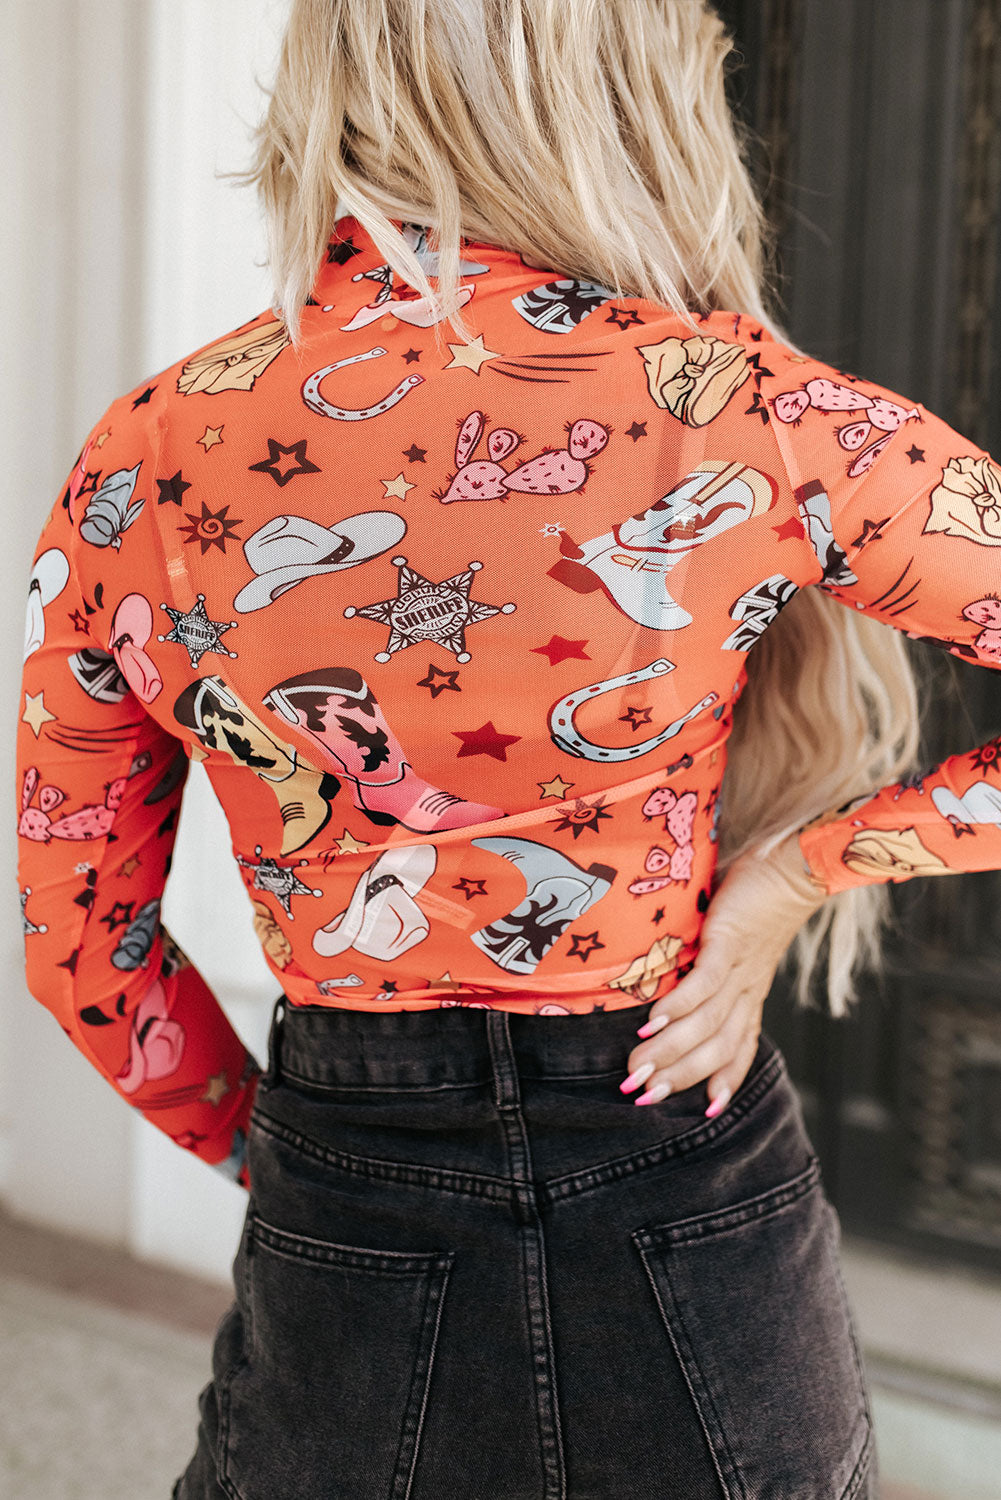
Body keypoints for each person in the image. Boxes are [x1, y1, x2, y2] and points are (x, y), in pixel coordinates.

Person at [15, 1, 1001, 1494]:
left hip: (343, 1166)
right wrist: (801, 873)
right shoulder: (757, 413)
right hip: (678, 1146)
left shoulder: (147, 451)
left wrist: (292, 1159)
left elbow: (80, 950)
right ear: (630, 98)